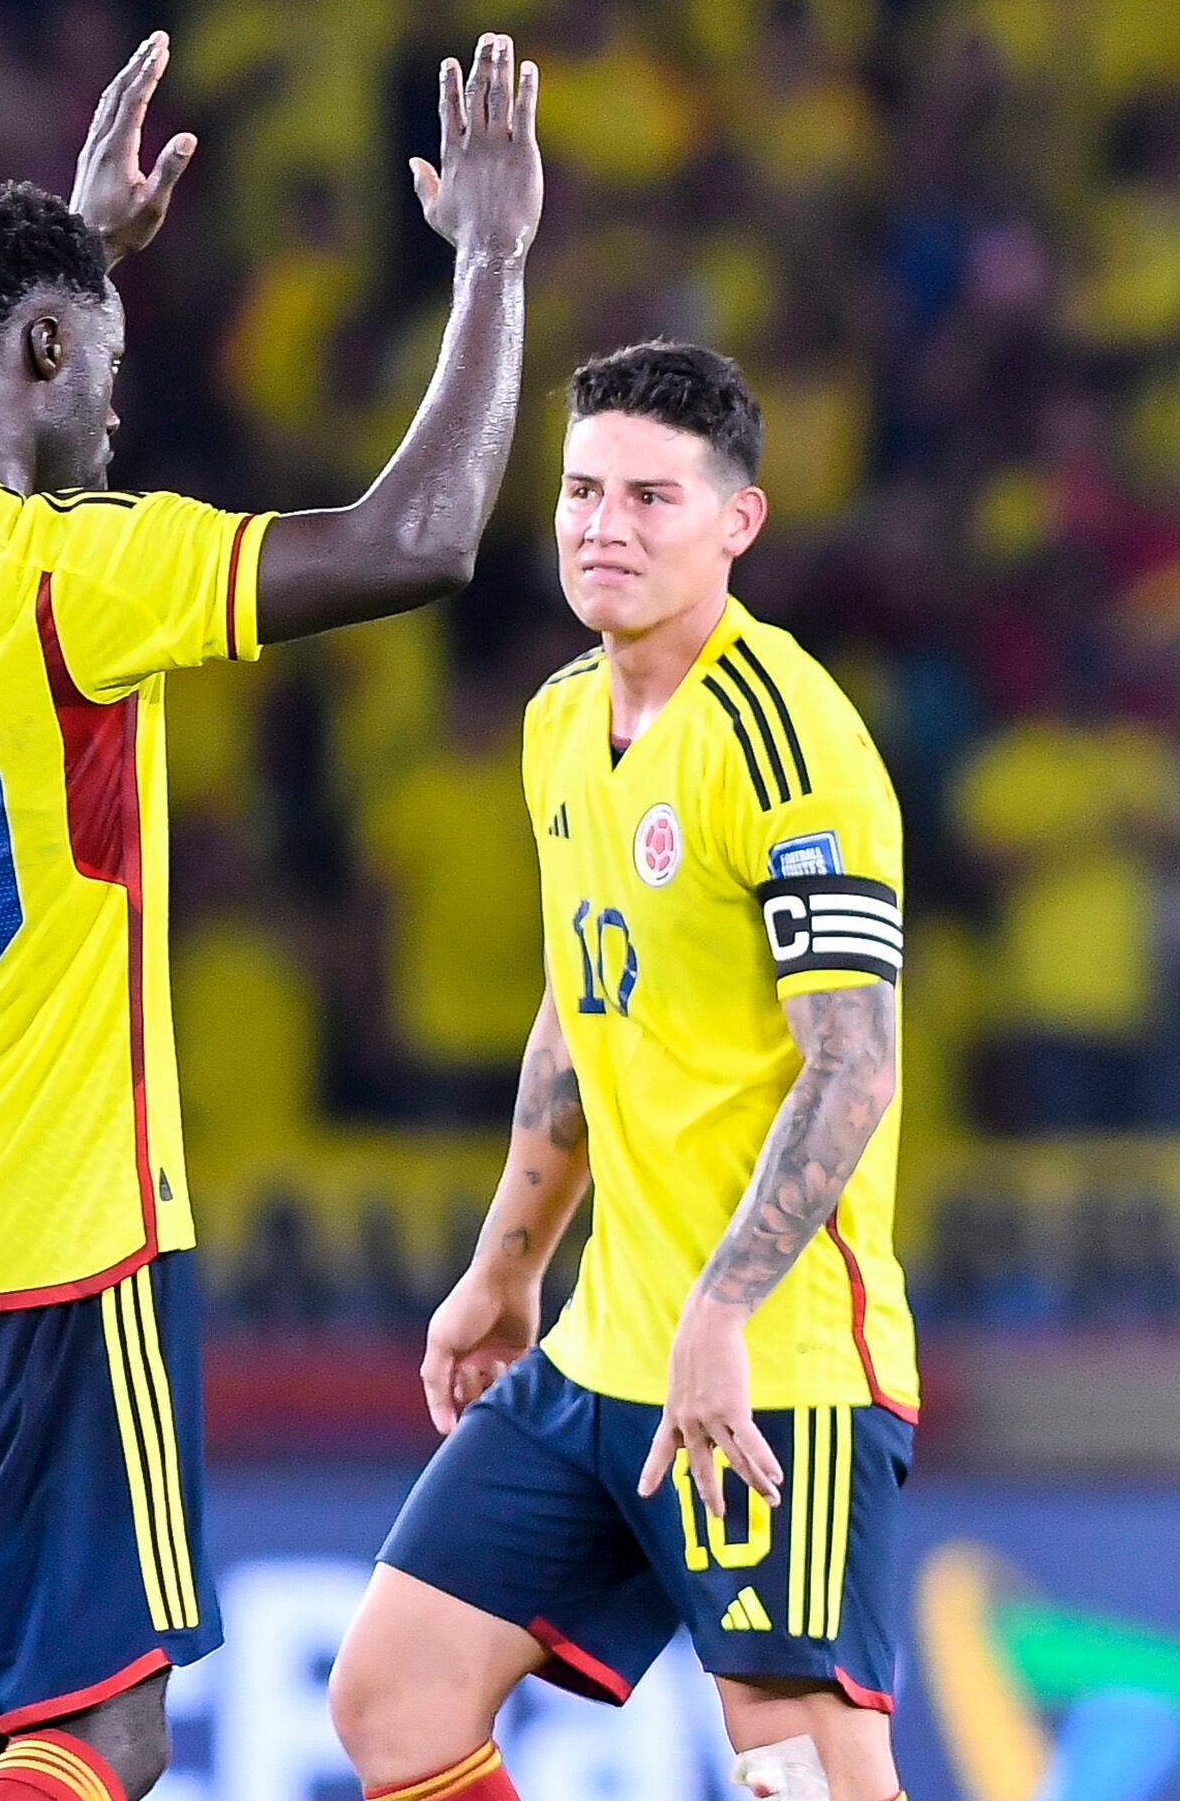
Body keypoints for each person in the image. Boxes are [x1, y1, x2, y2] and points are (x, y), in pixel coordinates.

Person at [0, 30, 543, 1801]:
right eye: (97, 357)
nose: (117, 405)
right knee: (107, 1737)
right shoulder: (72, 575)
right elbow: (421, 537)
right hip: (61, 1227)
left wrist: (76, 257)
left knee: (4, 1744)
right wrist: (492, 263)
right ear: (37, 351)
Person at [328, 342, 917, 1801]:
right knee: (393, 1704)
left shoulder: (790, 742)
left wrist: (722, 1311)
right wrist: (507, 1264)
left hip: (773, 1369)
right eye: (584, 490)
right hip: (600, 1357)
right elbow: (579, 1007)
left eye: (654, 497)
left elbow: (853, 1066)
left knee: (809, 1780)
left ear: (741, 522)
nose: (606, 525)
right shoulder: (552, 726)